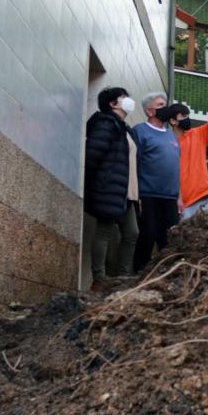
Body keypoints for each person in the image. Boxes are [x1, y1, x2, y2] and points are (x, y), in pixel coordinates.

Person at [84, 87, 139, 289]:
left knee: (132, 232)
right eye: (124, 98)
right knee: (104, 230)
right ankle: (99, 278)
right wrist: (92, 184)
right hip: (108, 187)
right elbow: (94, 153)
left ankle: (123, 276)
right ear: (113, 104)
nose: (128, 101)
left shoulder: (124, 128)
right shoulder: (106, 124)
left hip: (125, 191)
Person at [161, 86, 208, 221]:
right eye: (182, 116)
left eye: (187, 115)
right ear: (173, 121)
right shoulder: (167, 143)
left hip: (203, 198)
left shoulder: (198, 134)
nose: (186, 118)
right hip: (183, 203)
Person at [131, 91, 180, 272]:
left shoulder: (171, 135)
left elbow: (176, 168)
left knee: (169, 240)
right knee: (146, 237)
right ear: (149, 111)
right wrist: (138, 197)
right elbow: (134, 164)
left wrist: (179, 197)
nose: (165, 108)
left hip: (170, 198)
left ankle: (166, 275)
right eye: (160, 105)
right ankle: (139, 275)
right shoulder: (140, 131)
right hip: (148, 196)